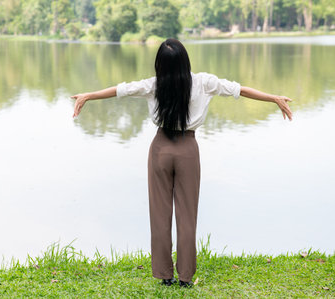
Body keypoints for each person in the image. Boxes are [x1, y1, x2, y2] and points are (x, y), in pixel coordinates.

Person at [71, 38, 293, 288]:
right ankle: (186, 277)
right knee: (187, 216)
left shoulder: (153, 85)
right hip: (188, 149)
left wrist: (89, 95)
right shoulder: (203, 82)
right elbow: (240, 90)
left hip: (160, 149)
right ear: (185, 60)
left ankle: (165, 275)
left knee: (160, 214)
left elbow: (120, 90)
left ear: (160, 65)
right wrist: (274, 98)